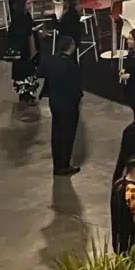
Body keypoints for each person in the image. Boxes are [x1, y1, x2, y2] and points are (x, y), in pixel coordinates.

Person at [44, 35, 84, 177]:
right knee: (67, 135)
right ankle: (64, 165)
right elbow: (77, 88)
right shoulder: (72, 66)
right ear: (71, 48)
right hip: (68, 105)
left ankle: (57, 164)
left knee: (56, 133)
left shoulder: (51, 61)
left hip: (55, 103)